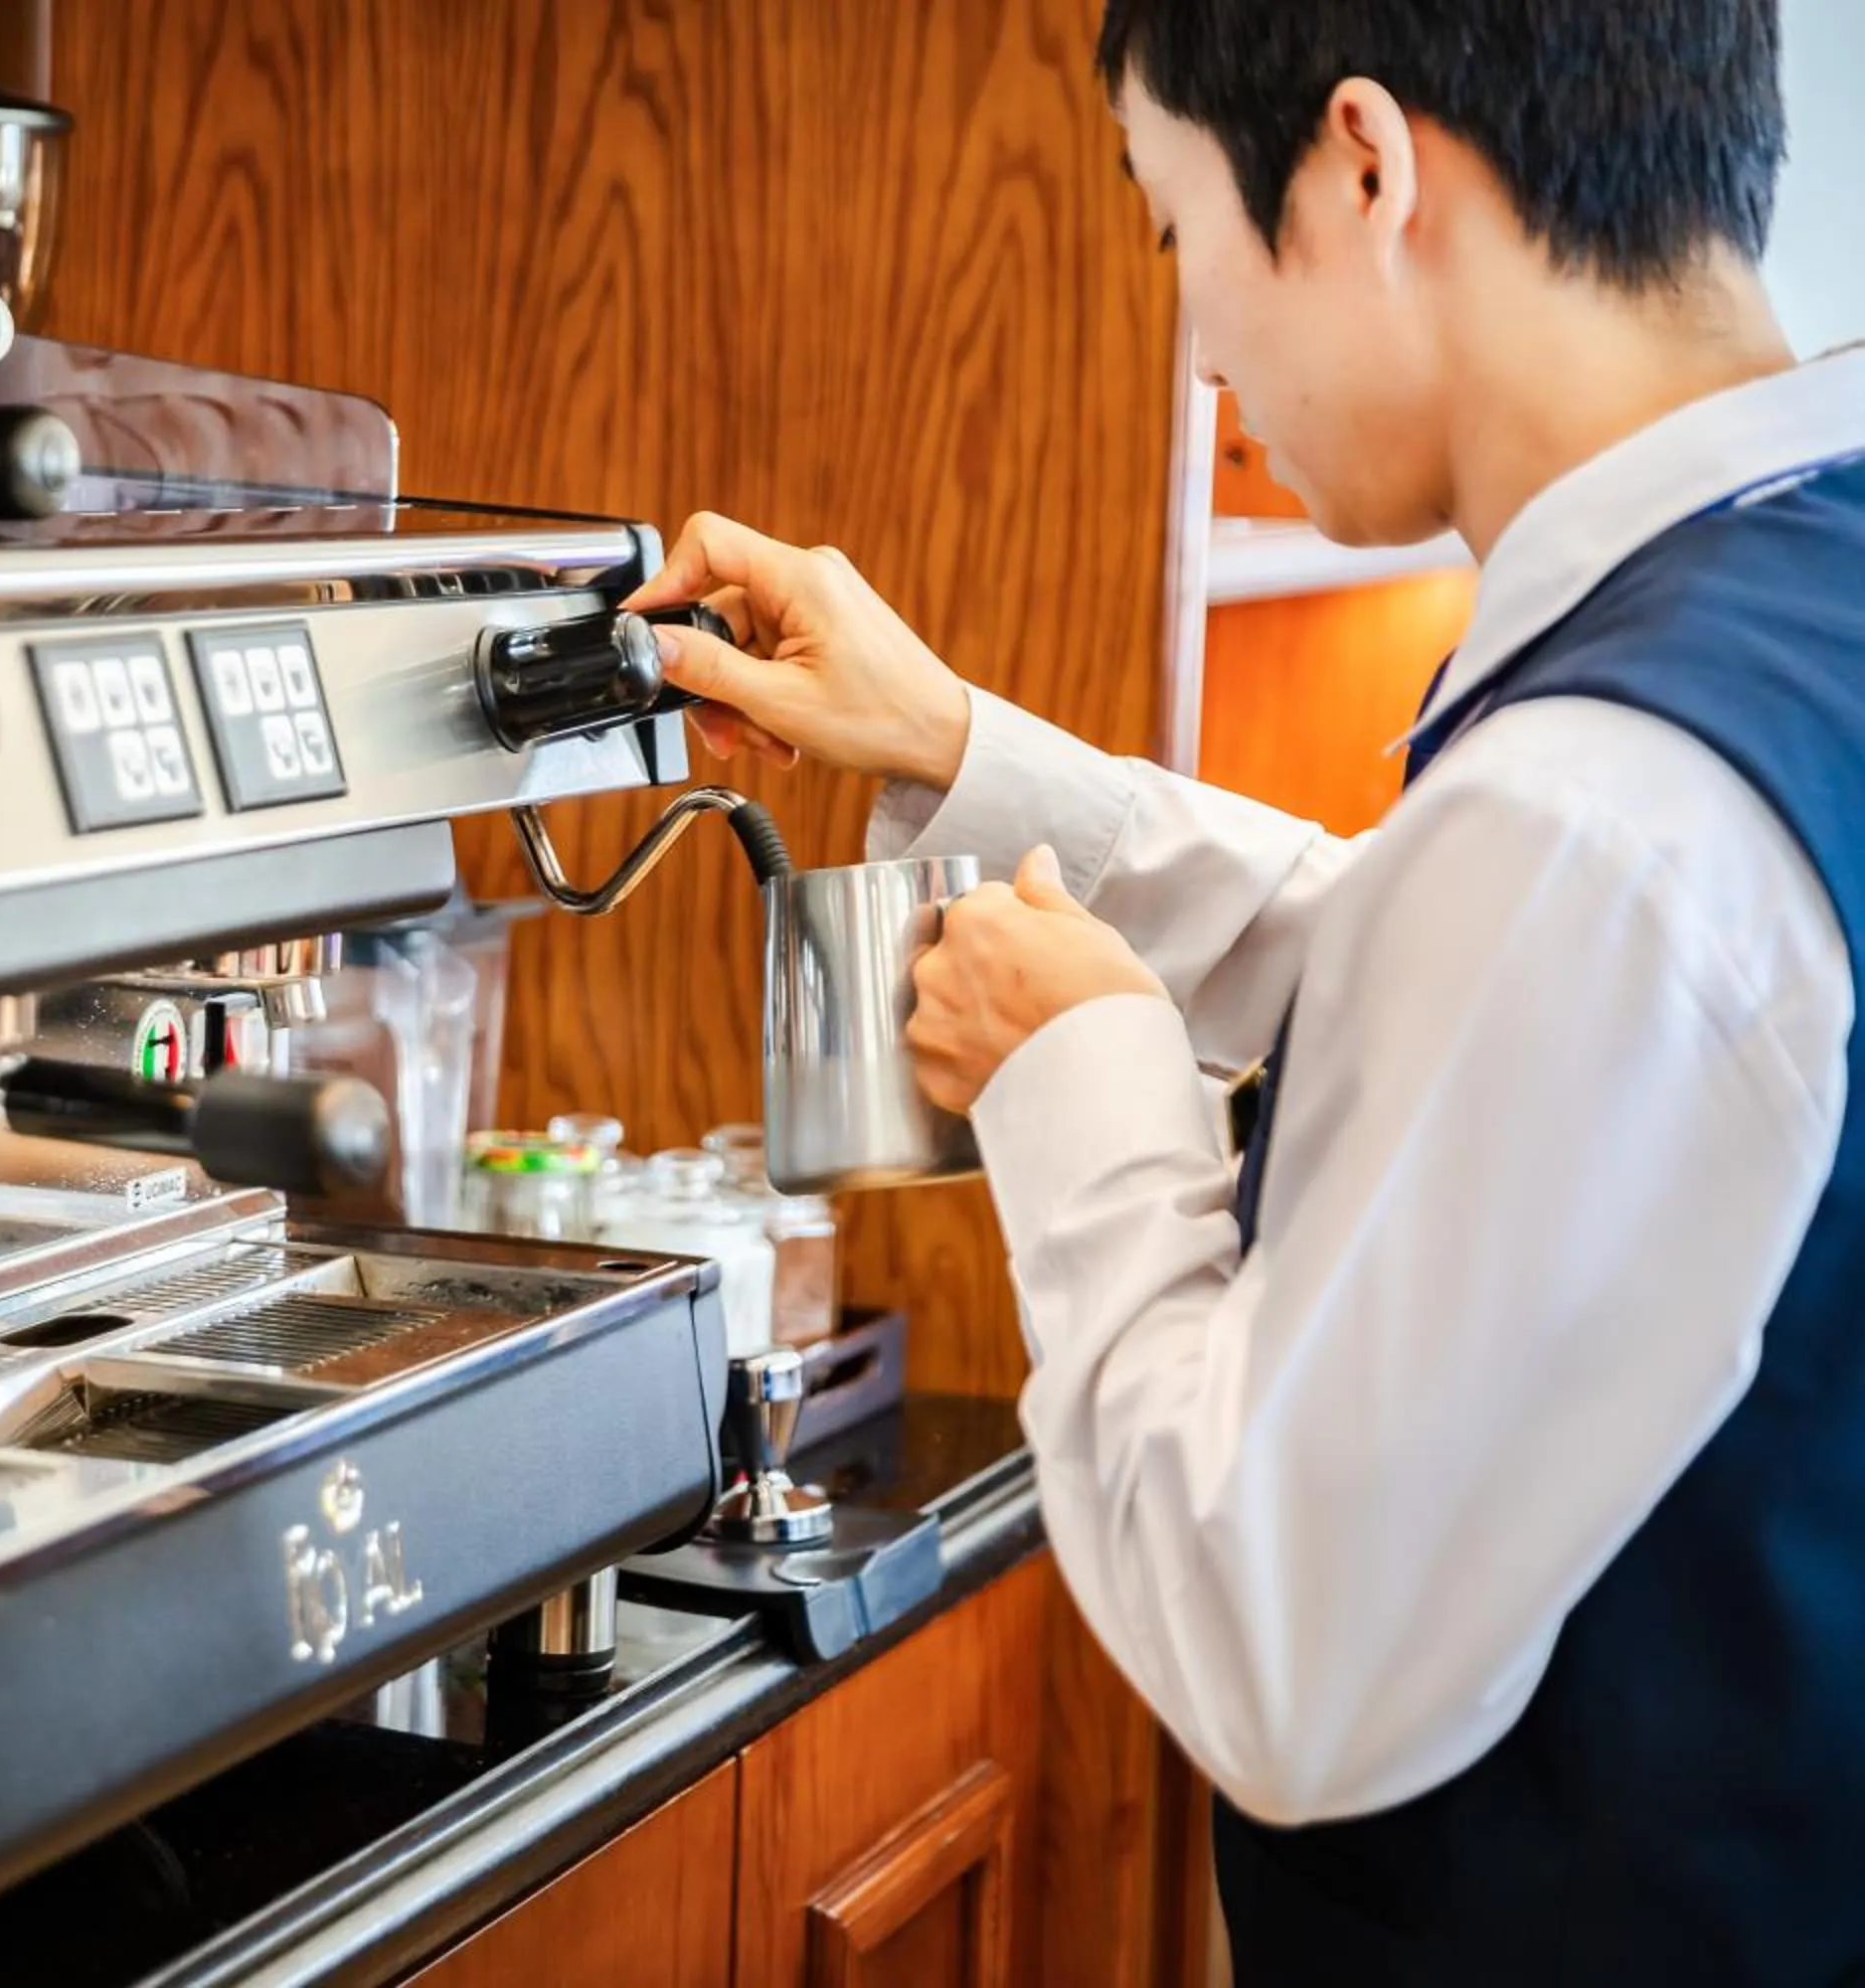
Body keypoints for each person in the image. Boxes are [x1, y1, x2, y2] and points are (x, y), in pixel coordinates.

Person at [623, 1, 1865, 1980]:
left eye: (1176, 226)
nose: (1198, 343)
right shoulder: (1798, 579)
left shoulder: (1605, 817)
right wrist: (958, 740)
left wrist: (1076, 1072)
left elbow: (1283, 1647)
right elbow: (1493, 1017)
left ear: (1364, 167)